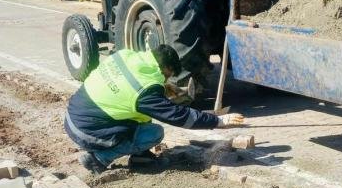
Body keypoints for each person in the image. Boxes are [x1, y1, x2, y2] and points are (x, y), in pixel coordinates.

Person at [64, 44, 244, 174]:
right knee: (154, 133)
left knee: (141, 116)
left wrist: (160, 90)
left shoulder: (126, 55)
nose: (166, 80)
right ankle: (98, 159)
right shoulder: (145, 90)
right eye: (167, 76)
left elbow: (125, 88)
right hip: (87, 132)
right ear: (166, 68)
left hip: (74, 117)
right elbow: (178, 116)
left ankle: (141, 157)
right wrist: (217, 121)